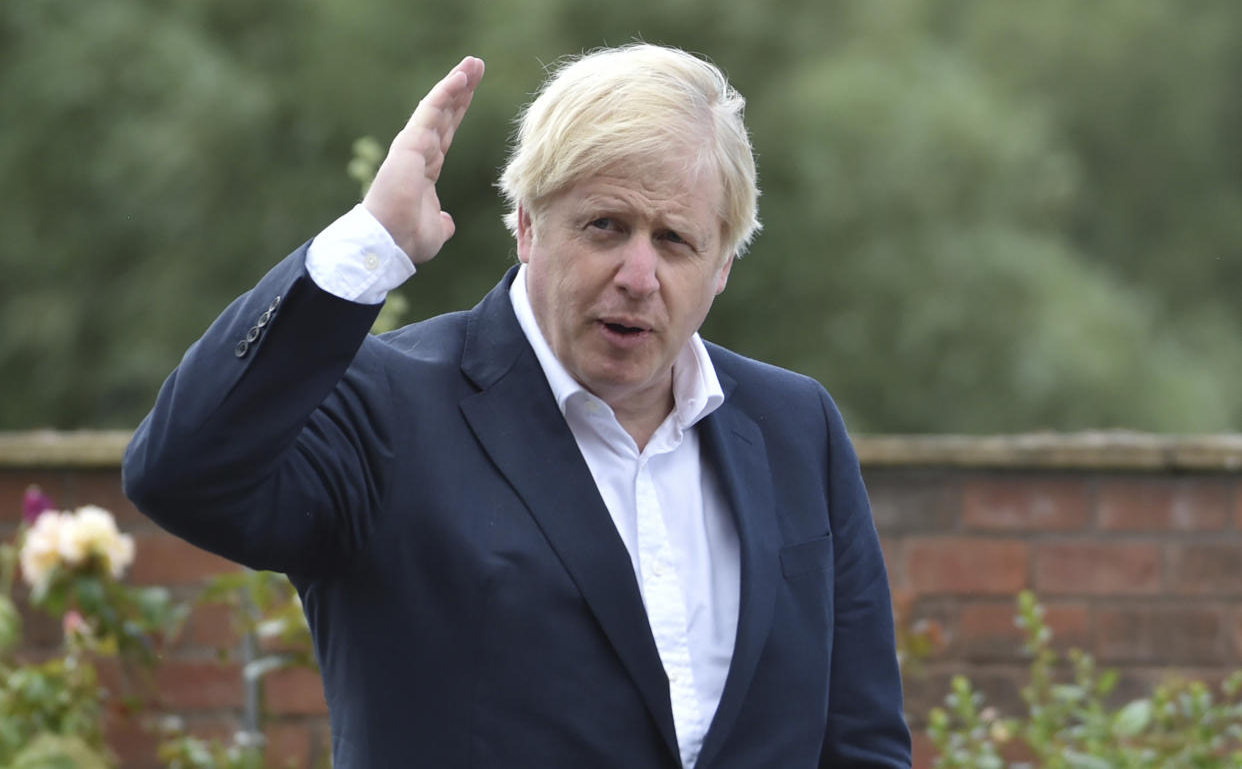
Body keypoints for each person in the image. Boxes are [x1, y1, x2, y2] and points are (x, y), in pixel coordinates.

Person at [124, 44, 911, 768]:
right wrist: (374, 240)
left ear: (723, 264)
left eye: (674, 240)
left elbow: (861, 740)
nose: (639, 274)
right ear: (529, 225)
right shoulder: (388, 408)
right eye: (606, 226)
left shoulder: (794, 426)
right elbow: (182, 472)